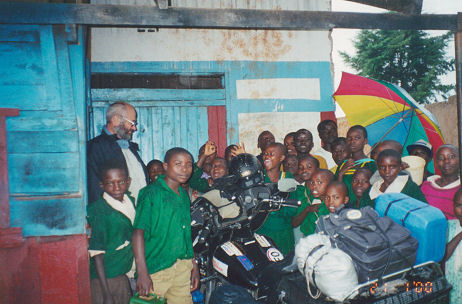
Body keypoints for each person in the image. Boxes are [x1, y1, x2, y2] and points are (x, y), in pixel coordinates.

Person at [132, 147, 199, 303]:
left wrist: (193, 264)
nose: (184, 169)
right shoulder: (151, 193)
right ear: (166, 166)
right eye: (178, 164)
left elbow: (186, 233)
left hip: (182, 267)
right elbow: (138, 232)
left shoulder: (183, 195)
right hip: (156, 269)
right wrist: (142, 272)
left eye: (189, 164)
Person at [87, 159, 136, 304]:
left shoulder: (131, 202)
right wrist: (106, 292)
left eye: (121, 182)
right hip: (107, 277)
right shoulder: (99, 211)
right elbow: (96, 254)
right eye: (110, 183)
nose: (116, 187)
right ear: (101, 185)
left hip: (124, 271)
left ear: (128, 182)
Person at [87, 102, 149, 204]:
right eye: (132, 123)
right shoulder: (94, 148)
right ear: (116, 119)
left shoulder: (129, 146)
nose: (135, 128)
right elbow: (95, 190)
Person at [256, 142, 297, 255]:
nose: (267, 156)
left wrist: (271, 209)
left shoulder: (287, 177)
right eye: (265, 154)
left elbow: (291, 209)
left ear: (281, 158)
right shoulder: (258, 177)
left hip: (282, 233)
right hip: (261, 231)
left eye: (271, 154)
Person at [335, 125, 376, 203]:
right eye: (349, 138)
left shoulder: (371, 164)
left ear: (365, 141)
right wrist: (341, 174)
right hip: (344, 208)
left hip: (364, 206)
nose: (352, 141)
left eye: (357, 138)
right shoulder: (342, 165)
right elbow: (335, 189)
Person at [421, 144, 460, 219]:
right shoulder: (426, 186)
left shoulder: (460, 189)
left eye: (451, 156)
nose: (446, 161)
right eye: (441, 158)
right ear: (436, 163)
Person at [292, 169, 332, 236]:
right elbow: (294, 223)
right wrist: (307, 210)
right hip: (308, 240)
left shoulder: (332, 203)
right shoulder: (308, 200)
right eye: (312, 182)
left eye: (319, 182)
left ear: (330, 185)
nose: (314, 186)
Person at [442, 188, 462, 304]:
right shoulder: (448, 227)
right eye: (459, 206)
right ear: (453, 206)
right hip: (451, 288)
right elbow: (443, 257)